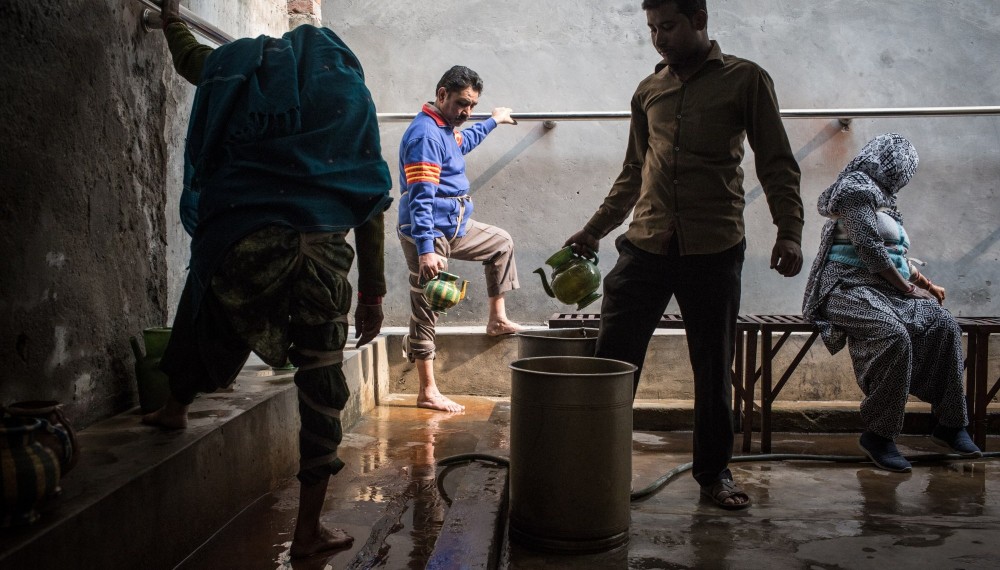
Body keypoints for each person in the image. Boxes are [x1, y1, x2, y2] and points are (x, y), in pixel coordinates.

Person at [141, 0, 392, 558]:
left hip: (244, 244)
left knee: (207, 307)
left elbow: (194, 62)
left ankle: (175, 407)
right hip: (321, 258)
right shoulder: (351, 98)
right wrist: (373, 293)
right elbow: (371, 202)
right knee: (322, 383)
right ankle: (307, 530)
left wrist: (174, 21)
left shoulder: (243, 72)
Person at [563, 0, 804, 510]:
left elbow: (776, 159)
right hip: (646, 245)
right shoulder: (649, 90)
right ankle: (593, 466)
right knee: (613, 362)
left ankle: (714, 475)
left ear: (699, 20)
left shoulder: (746, 80)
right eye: (651, 29)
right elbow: (633, 171)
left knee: (712, 366)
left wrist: (789, 230)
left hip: (713, 249)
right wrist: (593, 230)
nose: (658, 38)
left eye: (667, 26)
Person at [802, 133, 981, 473]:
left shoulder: (885, 202)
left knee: (944, 326)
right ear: (890, 163)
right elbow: (869, 248)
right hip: (844, 286)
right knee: (892, 334)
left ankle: (950, 425)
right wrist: (908, 289)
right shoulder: (854, 190)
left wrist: (926, 284)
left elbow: (895, 256)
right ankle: (879, 436)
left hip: (884, 288)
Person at [397, 65, 522, 413]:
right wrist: (425, 250)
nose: (467, 112)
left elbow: (465, 141)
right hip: (429, 231)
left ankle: (496, 319)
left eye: (472, 106)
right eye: (462, 103)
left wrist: (494, 120)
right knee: (428, 304)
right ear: (441, 95)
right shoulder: (425, 135)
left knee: (501, 242)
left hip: (456, 225)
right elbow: (421, 195)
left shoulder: (447, 127)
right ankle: (427, 390)